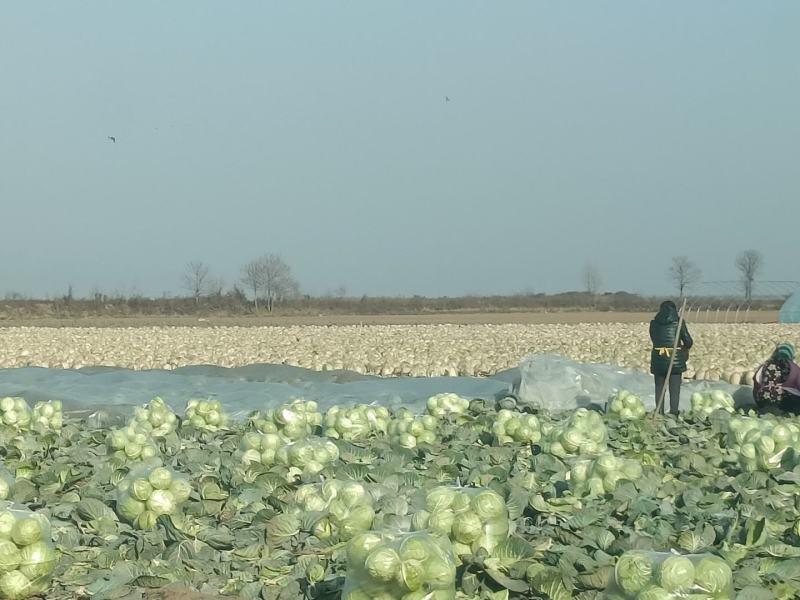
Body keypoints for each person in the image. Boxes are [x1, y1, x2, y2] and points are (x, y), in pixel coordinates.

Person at [649, 300, 693, 414]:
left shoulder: (654, 323)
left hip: (658, 358)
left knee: (659, 387)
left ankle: (659, 412)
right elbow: (688, 341)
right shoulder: (679, 323)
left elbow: (654, 339)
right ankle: (674, 413)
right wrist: (683, 349)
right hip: (675, 359)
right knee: (675, 388)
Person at [753, 342, 800, 415]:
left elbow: (756, 389)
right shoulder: (794, 368)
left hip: (764, 403)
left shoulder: (764, 366)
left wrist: (760, 403)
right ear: (791, 356)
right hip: (787, 404)